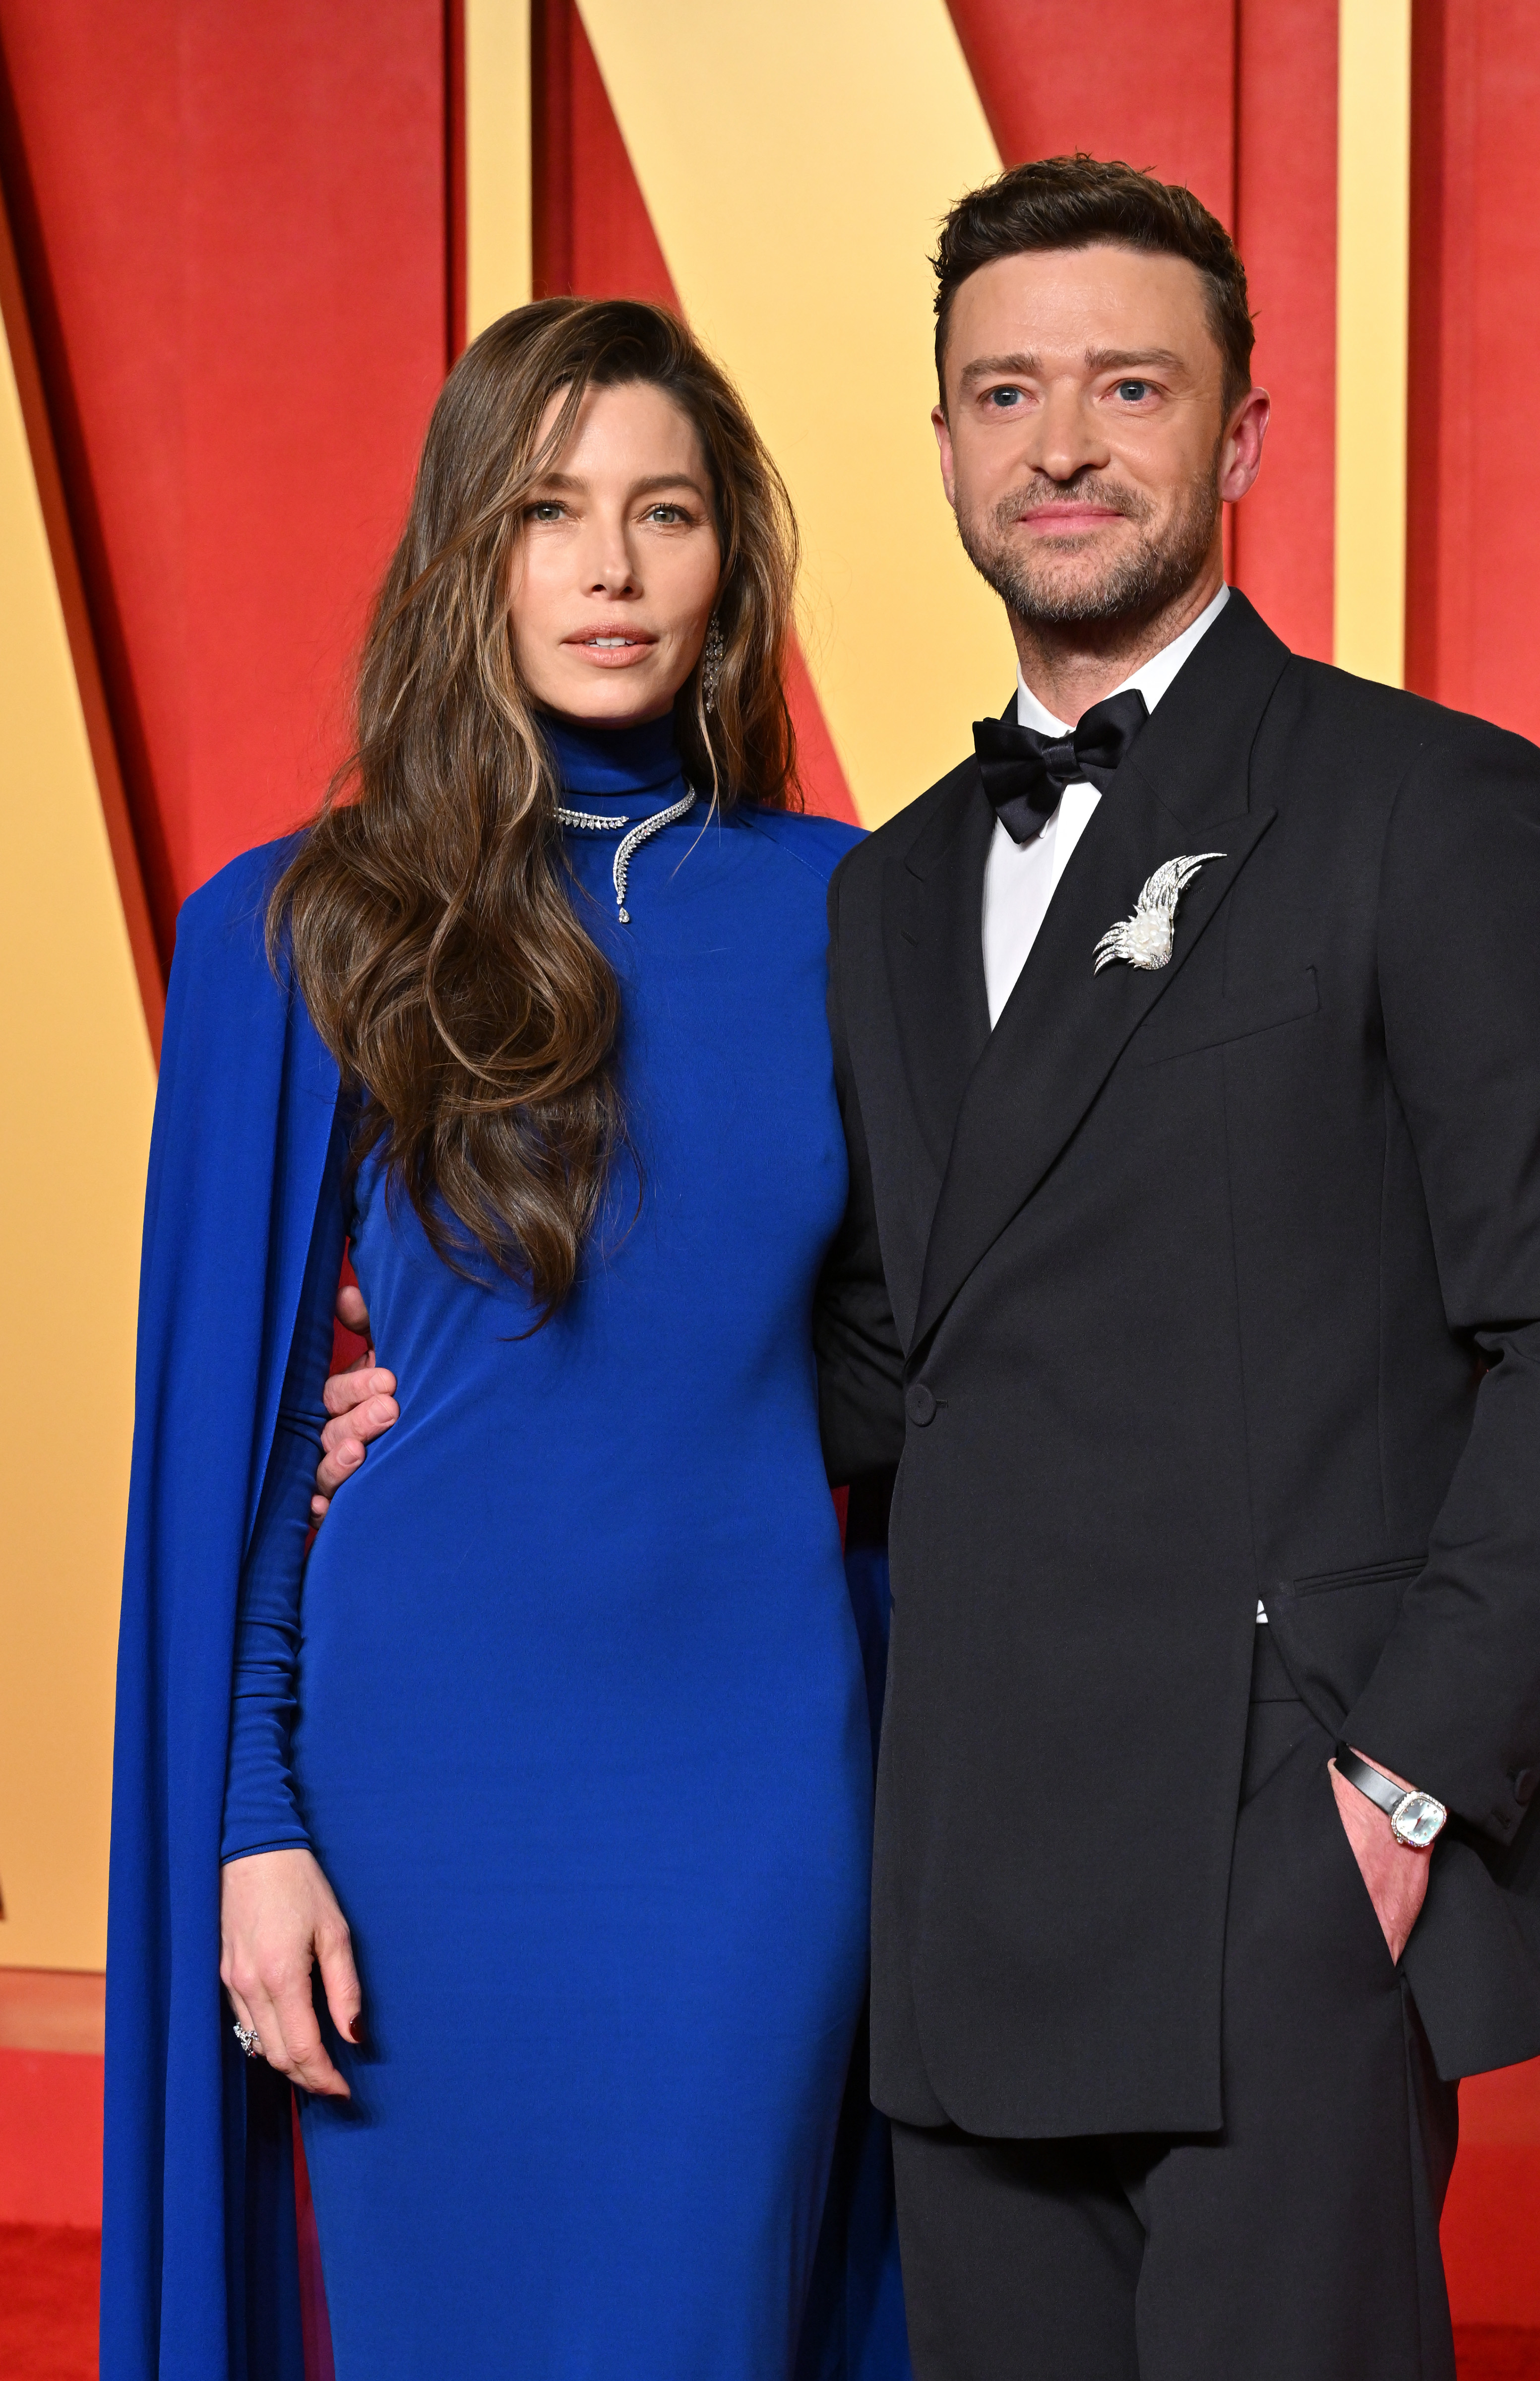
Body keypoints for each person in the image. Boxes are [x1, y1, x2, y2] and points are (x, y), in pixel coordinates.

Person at [319, 163, 1540, 2380]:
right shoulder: (890, 891)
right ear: (944, 445)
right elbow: (868, 1354)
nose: (1063, 444)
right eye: (1007, 392)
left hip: (1278, 1852)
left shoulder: (1433, 805)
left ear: (1241, 433)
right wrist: (482, 1397)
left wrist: (1407, 1786)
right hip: (957, 1876)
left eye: (1130, 387)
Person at [104, 298, 909, 2381]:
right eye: (550, 511)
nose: (611, 569)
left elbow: (938, 1355)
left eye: (666, 512)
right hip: (418, 1783)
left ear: (732, 560)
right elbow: (241, 1463)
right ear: (467, 546)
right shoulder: (299, 928)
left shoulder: (863, 916)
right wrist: (248, 1824)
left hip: (751, 1783)